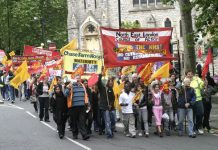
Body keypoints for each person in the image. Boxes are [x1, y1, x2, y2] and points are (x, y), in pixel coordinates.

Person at [64, 75, 90, 140]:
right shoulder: (70, 86)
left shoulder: (82, 86)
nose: (78, 80)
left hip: (82, 106)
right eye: (76, 78)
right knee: (74, 121)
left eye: (79, 78)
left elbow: (86, 96)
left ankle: (84, 135)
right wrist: (69, 87)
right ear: (74, 79)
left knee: (82, 121)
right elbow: (65, 94)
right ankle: (75, 134)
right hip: (73, 107)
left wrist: (88, 104)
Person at [186, 70, 204, 134]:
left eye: (191, 74)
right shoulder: (185, 81)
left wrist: (202, 82)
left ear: (193, 74)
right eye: (188, 74)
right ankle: (193, 129)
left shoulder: (197, 79)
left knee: (201, 113)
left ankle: (198, 126)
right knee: (192, 116)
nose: (190, 75)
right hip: (191, 101)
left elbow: (202, 84)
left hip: (198, 100)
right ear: (186, 75)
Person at [97, 73, 115, 139]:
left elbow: (113, 98)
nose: (110, 83)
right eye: (109, 82)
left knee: (113, 120)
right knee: (107, 120)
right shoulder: (102, 88)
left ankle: (111, 131)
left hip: (111, 108)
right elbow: (98, 82)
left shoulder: (110, 89)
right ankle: (109, 134)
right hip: (104, 107)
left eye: (111, 82)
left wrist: (110, 104)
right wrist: (100, 75)